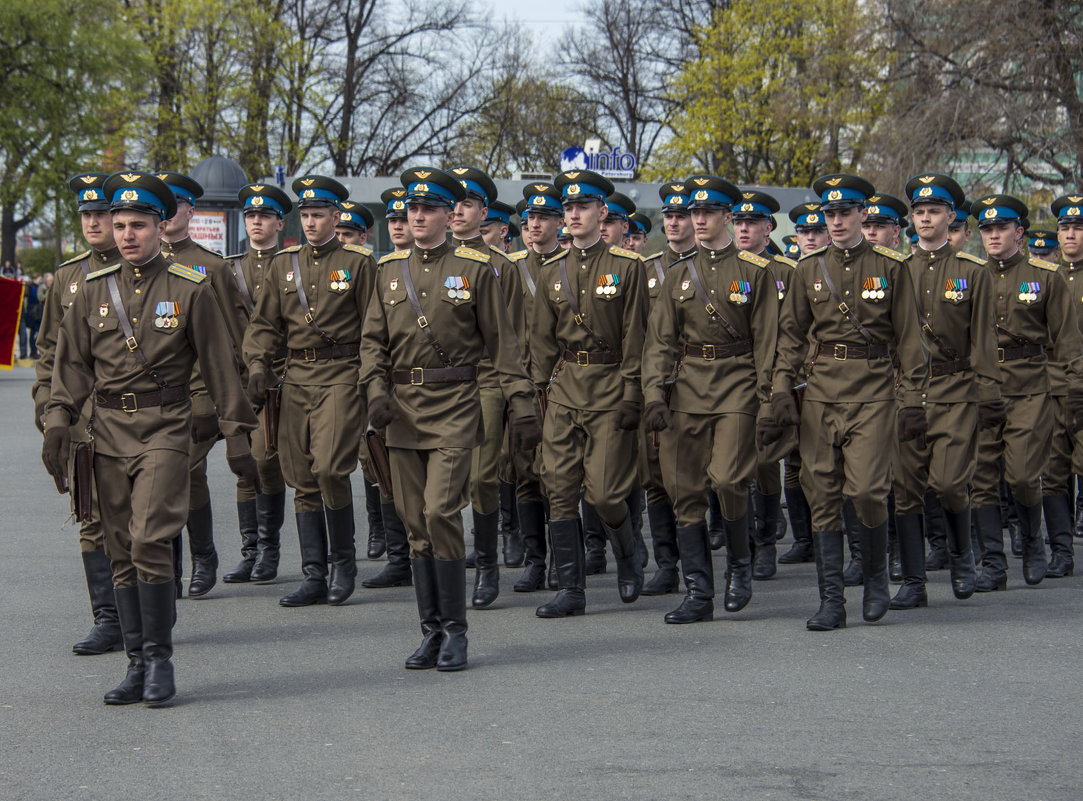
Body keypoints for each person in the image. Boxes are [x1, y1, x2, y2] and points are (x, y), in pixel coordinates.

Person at [41, 171, 259, 706]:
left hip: (165, 427)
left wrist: (236, 435)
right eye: (119, 226)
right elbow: (69, 365)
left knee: (149, 539)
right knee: (119, 550)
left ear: (161, 225)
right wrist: (56, 421)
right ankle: (136, 664)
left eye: (138, 224)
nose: (127, 235)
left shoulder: (190, 286)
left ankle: (161, 660)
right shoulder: (91, 291)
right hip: (106, 432)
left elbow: (220, 365)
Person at [360, 166, 539, 671]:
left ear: (447, 215)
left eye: (429, 209)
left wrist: (522, 406)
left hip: (457, 402)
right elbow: (372, 342)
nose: (418, 217)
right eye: (411, 210)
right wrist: (375, 392)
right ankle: (431, 632)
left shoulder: (478, 269)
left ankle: (457, 631)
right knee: (415, 523)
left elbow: (504, 346)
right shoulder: (387, 269)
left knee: (441, 512)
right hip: (401, 410)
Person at [766, 173, 929, 631]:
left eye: (844, 213)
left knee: (867, 492)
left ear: (863, 213)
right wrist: (781, 387)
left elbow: (911, 341)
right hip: (820, 392)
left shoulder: (892, 267)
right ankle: (831, 600)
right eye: (829, 214)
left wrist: (913, 398)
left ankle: (876, 578)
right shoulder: (807, 269)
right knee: (822, 494)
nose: (835, 222)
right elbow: (791, 336)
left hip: (874, 389)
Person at [641, 174, 778, 623]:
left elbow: (768, 342)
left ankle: (740, 568)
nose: (697, 220)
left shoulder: (756, 272)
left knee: (727, 480)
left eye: (707, 213)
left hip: (738, 385)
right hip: (687, 387)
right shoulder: (678, 274)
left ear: (726, 217)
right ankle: (699, 591)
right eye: (693, 213)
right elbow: (660, 340)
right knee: (683, 490)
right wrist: (654, 393)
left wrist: (769, 400)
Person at [244, 175, 377, 607]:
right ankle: (314, 574)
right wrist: (258, 365)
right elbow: (265, 325)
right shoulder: (284, 265)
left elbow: (375, 328)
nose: (312, 223)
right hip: (296, 378)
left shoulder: (358, 263)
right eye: (306, 215)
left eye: (319, 215)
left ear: (336, 217)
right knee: (300, 476)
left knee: (330, 469)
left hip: (341, 374)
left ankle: (344, 564)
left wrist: (372, 381)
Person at [531, 169, 648, 617]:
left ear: (603, 212)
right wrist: (536, 396)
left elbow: (637, 335)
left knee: (603, 495)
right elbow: (541, 341)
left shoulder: (627, 267)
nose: (574, 214)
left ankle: (628, 554)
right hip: (564, 392)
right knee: (558, 488)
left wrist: (633, 393)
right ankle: (571, 590)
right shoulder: (550, 270)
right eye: (569, 208)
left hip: (611, 388)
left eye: (583, 207)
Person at [889, 174, 1002, 609]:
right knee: (906, 486)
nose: (924, 219)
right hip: (906, 392)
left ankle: (960, 557)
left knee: (951, 483)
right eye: (918, 212)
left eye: (933, 212)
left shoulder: (972, 272)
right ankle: (914, 582)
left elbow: (984, 342)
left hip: (956, 390)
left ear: (950, 217)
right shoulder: (897, 270)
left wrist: (989, 394)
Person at [968, 194, 1083, 591]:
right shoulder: (969, 277)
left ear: (1019, 232)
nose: (993, 235)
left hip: (1031, 384)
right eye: (987, 229)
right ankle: (993, 564)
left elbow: (1067, 340)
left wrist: (1076, 388)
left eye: (1001, 228)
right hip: (982, 386)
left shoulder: (1045, 276)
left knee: (1021, 475)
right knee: (981, 477)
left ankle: (1034, 543)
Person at [33, 172, 123, 655]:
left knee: (139, 518)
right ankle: (107, 619)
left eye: (102, 215)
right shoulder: (68, 278)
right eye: (86, 215)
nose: (93, 223)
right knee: (90, 516)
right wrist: (50, 414)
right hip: (81, 419)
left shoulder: (147, 271)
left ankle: (149, 605)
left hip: (137, 416)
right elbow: (48, 353)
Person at [158, 171, 251, 598]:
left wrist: (234, 401)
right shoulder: (139, 266)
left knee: (186, 469)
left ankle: (203, 555)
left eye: (176, 204)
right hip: (155, 394)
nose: (167, 213)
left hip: (199, 393)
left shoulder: (212, 267)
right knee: (166, 479)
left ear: (191, 211)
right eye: (160, 205)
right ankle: (173, 566)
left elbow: (237, 335)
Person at [446, 167, 526, 609]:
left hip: (486, 380)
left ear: (484, 213)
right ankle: (447, 561)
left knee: (480, 476)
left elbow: (511, 337)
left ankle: (488, 564)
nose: (458, 211)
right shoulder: (432, 258)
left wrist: (518, 395)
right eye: (453, 204)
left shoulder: (500, 268)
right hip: (438, 385)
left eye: (468, 204)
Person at [220, 183, 293, 584]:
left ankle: (269, 550)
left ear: (279, 222)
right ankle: (250, 552)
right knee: (243, 467)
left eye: (264, 216)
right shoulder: (228, 269)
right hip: (238, 380)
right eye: (251, 216)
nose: (256, 222)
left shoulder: (291, 266)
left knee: (267, 461)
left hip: (278, 377)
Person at [503, 182, 565, 592]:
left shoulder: (569, 264)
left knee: (559, 476)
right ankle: (535, 560)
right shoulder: (510, 268)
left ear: (560, 223)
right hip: (521, 384)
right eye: (529, 220)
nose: (535, 225)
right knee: (524, 473)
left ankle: (565, 560)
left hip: (563, 383)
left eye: (543, 218)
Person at [732, 188, 793, 581]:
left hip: (772, 373)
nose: (743, 229)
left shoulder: (786, 271)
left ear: (768, 228)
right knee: (736, 464)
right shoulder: (726, 267)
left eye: (752, 222)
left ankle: (767, 540)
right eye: (738, 221)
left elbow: (795, 327)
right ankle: (746, 543)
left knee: (768, 462)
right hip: (733, 377)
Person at [360, 188, 415, 591]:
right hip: (387, 385)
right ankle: (399, 556)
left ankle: (423, 549)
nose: (398, 226)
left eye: (404, 218)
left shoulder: (450, 267)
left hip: (430, 387)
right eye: (393, 221)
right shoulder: (384, 270)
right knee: (383, 467)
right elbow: (373, 336)